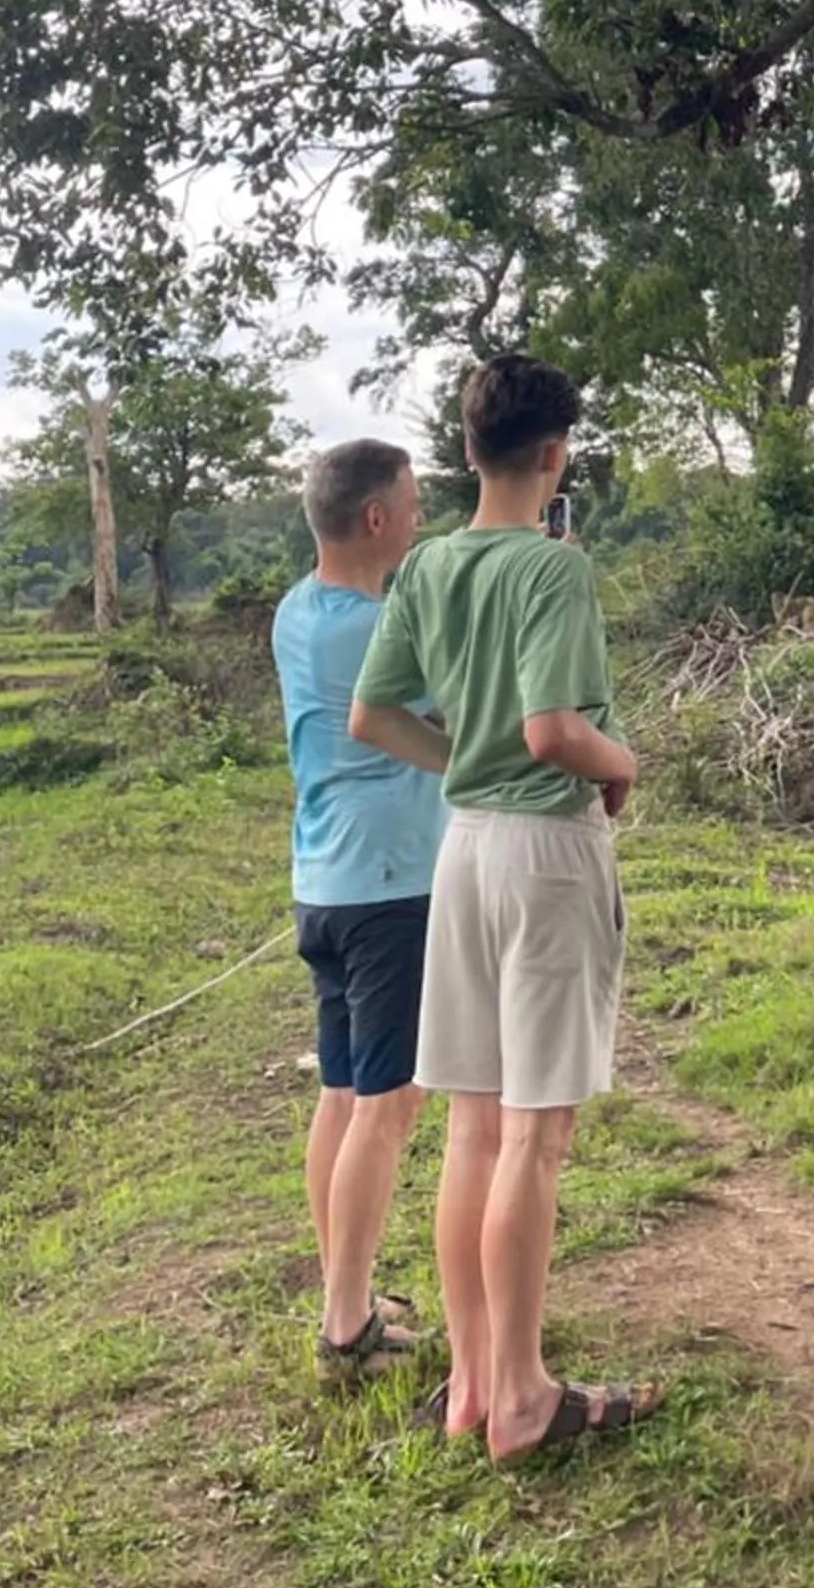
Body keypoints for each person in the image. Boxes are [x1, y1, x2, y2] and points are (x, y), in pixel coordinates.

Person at [349, 353, 659, 1462]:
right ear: (554, 452)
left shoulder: (427, 565)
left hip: (466, 848)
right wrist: (621, 760)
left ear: (469, 450)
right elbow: (554, 733)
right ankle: (527, 1397)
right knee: (535, 1135)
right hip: (543, 850)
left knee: (471, 1128)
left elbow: (374, 714)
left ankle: (477, 1382)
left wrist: (459, 762)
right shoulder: (553, 570)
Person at [272, 439, 441, 1385]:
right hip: (389, 890)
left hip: (325, 884)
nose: (419, 521)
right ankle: (346, 1328)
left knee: (341, 1095)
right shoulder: (375, 632)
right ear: (375, 519)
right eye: (412, 506)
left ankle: (349, 1287)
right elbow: (467, 706)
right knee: (388, 1105)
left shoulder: (301, 612)